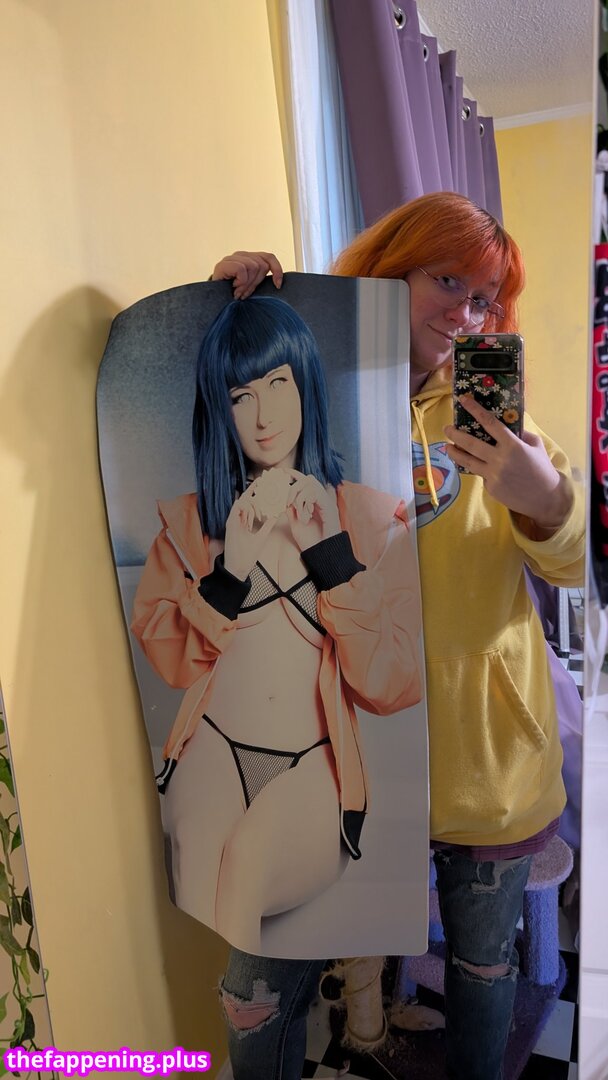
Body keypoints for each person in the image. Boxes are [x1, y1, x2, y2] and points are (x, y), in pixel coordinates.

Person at [210, 193, 585, 1079]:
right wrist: (233, 316)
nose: (467, 314)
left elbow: (576, 564)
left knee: (484, 970)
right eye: (447, 281)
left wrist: (547, 500)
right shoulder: (310, 390)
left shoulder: (498, 418)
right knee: (260, 979)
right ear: (386, 272)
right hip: (338, 751)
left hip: (484, 757)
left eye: (486, 298)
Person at [131, 295, 422, 955]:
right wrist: (230, 569)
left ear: (306, 383)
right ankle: (221, 1022)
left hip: (310, 768)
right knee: (198, 858)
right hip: (211, 749)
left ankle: (245, 1020)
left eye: (277, 384)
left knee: (248, 863)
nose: (262, 416)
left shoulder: (373, 520)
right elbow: (171, 664)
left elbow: (393, 685)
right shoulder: (188, 525)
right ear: (220, 409)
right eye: (241, 396)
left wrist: (333, 559)